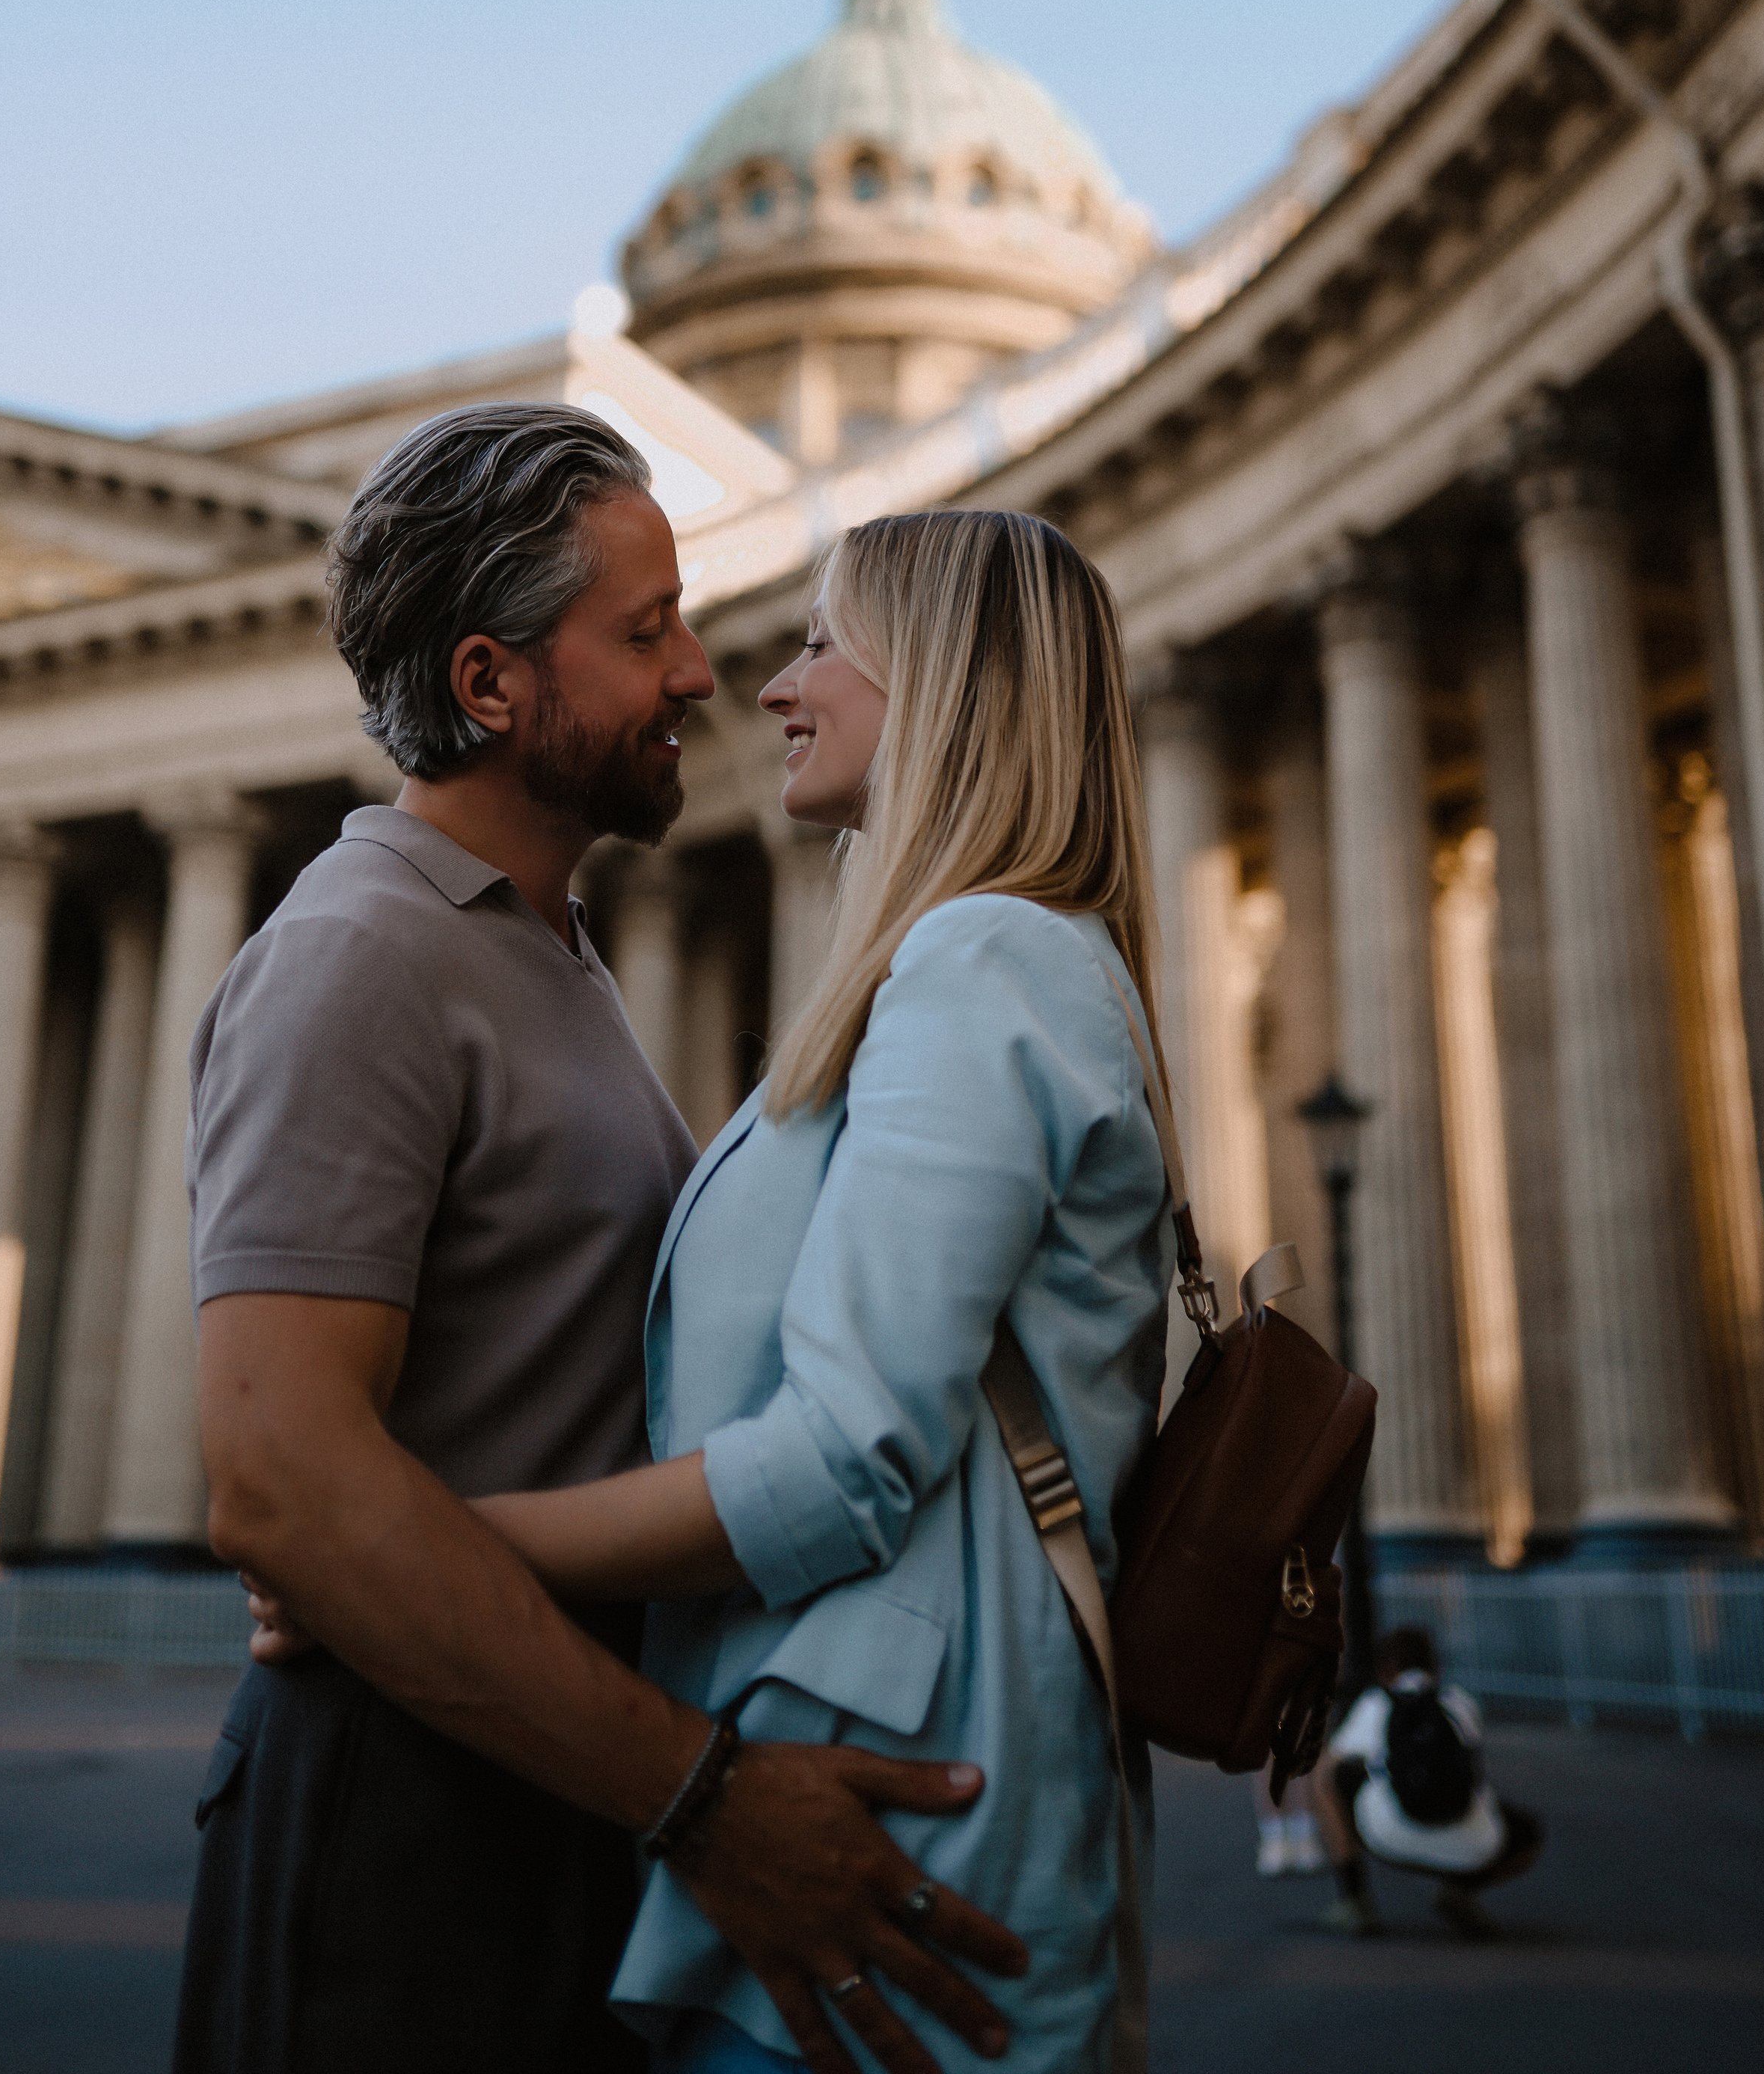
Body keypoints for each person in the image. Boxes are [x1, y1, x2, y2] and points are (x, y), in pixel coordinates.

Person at [177, 405, 1028, 2074]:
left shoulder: (540, 955)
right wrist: (703, 1795)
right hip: (403, 1830)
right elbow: (280, 1478)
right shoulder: (359, 952)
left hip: (541, 1784)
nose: (700, 673)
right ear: (491, 683)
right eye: (645, 633)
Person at [461, 510, 1177, 2073]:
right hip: (888, 1790)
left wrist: (435, 1556)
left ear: (937, 676)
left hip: (894, 1812)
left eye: (819, 642)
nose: (769, 687)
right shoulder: (995, 957)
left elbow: (845, 1453)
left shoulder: (981, 953)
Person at [1311, 1625, 1543, 1940]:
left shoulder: (1377, 1703)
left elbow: (1333, 1762)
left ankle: (1354, 1900)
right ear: (1436, 1668)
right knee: (1528, 1831)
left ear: (1385, 1670)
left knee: (1325, 1776)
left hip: (1388, 1836)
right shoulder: (1460, 1704)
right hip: (1473, 1849)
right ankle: (1459, 1892)